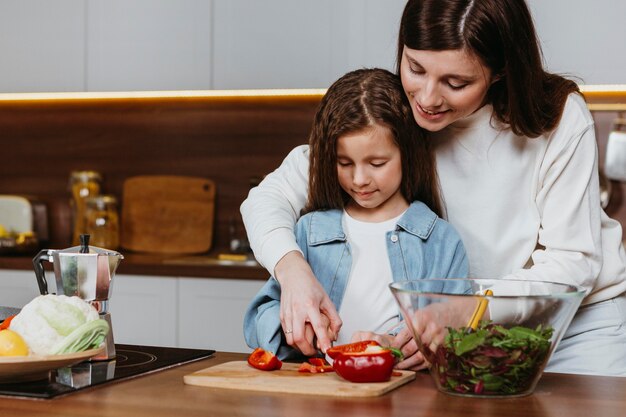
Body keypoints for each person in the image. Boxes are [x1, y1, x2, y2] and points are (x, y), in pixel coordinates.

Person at [240, 0, 626, 376]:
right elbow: (267, 199)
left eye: (456, 82)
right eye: (416, 68)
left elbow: (573, 261)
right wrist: (293, 272)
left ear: (500, 71)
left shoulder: (557, 116)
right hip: (457, 338)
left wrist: (468, 308)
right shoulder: (397, 114)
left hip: (574, 329)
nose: (427, 98)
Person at [243, 68, 470, 361]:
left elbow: (459, 331)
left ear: (408, 154)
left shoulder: (440, 241)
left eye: (377, 163)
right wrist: (292, 326)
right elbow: (260, 316)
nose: (359, 179)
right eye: (344, 162)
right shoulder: (310, 230)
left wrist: (395, 344)